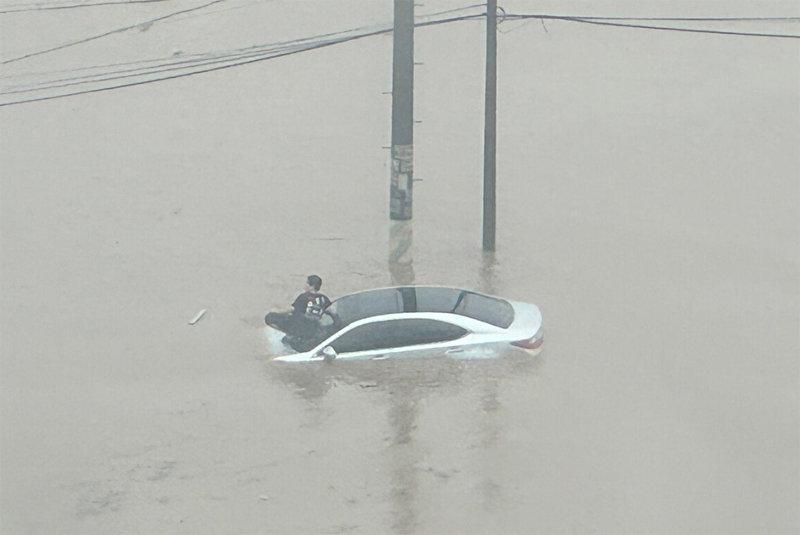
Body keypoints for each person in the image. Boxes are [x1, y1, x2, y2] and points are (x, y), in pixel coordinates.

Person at [264, 275, 331, 348]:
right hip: (315, 328)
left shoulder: (303, 297)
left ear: (310, 286)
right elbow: (330, 311)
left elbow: (292, 311)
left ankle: (290, 335)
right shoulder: (324, 298)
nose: (305, 285)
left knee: (269, 317)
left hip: (301, 328)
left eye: (306, 283)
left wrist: (278, 312)